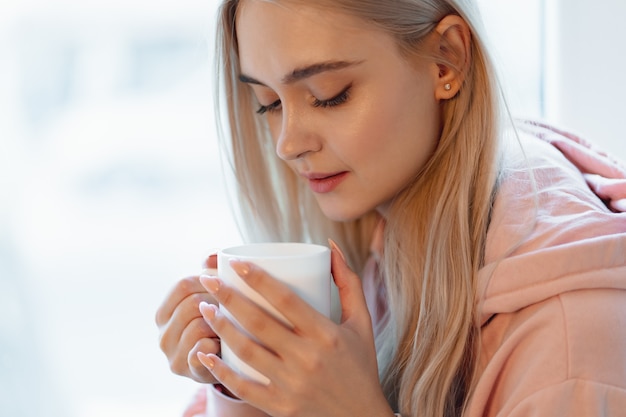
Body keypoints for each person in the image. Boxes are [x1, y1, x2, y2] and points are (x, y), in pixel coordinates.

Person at [155, 0, 626, 416]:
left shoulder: (570, 345)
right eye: (269, 102)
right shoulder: (389, 239)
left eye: (328, 94)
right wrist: (248, 380)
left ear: (447, 61)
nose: (287, 143)